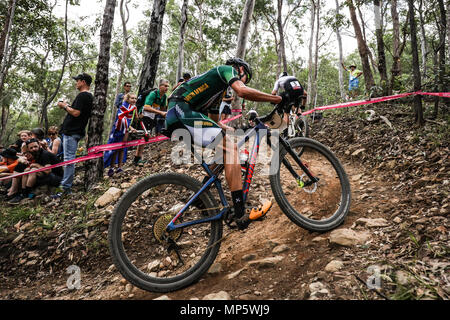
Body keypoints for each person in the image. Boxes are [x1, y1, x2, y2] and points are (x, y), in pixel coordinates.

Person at [165, 57, 283, 230]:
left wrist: (228, 129)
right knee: (231, 148)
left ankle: (200, 197)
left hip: (178, 115)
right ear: (240, 69)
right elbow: (242, 91)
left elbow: (214, 121)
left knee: (224, 150)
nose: (243, 80)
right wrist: (275, 99)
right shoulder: (225, 70)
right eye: (245, 78)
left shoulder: (216, 91)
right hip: (182, 110)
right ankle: (240, 212)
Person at [55, 72, 93, 196]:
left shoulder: (84, 96)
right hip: (72, 132)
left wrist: (64, 106)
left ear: (83, 82)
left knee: (68, 160)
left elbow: (76, 113)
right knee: (67, 159)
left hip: (72, 132)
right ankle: (64, 186)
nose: (76, 83)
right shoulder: (85, 96)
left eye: (78, 80)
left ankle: (65, 188)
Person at [9, 138, 63, 204]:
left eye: (35, 146)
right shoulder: (35, 154)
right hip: (47, 175)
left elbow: (48, 171)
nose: (34, 149)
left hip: (56, 177)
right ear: (28, 149)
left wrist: (36, 165)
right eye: (31, 148)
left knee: (33, 170)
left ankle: (27, 194)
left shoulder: (44, 154)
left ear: (39, 145)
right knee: (27, 170)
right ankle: (23, 193)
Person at [133, 79, 170, 165]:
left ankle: (138, 158)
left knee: (146, 137)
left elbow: (163, 109)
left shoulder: (164, 96)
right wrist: (160, 113)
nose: (166, 88)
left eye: (167, 86)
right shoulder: (153, 94)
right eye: (165, 86)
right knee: (144, 136)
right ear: (160, 86)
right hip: (144, 116)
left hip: (152, 118)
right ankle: (137, 159)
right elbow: (146, 107)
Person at [104, 93, 138, 176]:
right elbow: (120, 118)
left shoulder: (133, 108)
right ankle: (111, 167)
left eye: (135, 98)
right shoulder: (123, 106)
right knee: (115, 148)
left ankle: (119, 167)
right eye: (132, 98)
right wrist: (129, 127)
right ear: (128, 99)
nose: (134, 100)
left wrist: (131, 127)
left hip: (126, 129)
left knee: (122, 148)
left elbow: (132, 119)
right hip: (118, 129)